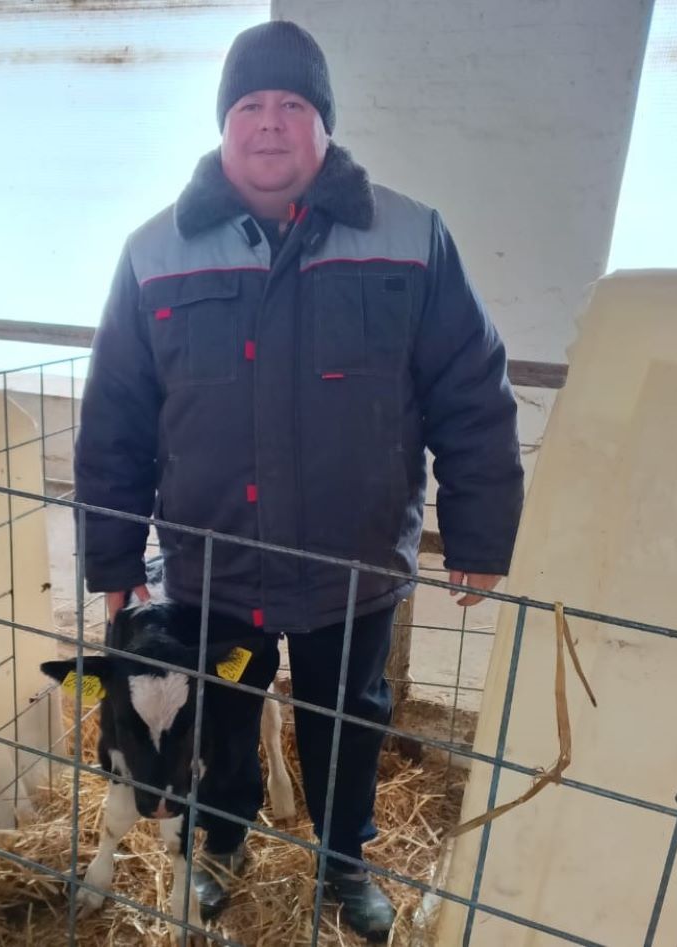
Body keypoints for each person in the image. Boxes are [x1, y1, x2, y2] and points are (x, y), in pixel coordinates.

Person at [73, 19, 523, 942]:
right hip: (213, 555)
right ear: (224, 122)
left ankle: (344, 860)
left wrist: (480, 534)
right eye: (249, 105)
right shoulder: (155, 251)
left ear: (324, 121)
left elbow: (471, 390)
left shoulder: (410, 235)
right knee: (218, 714)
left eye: (292, 104)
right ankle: (220, 842)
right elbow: (116, 414)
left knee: (348, 716)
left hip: (350, 557)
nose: (270, 123)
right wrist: (111, 556)